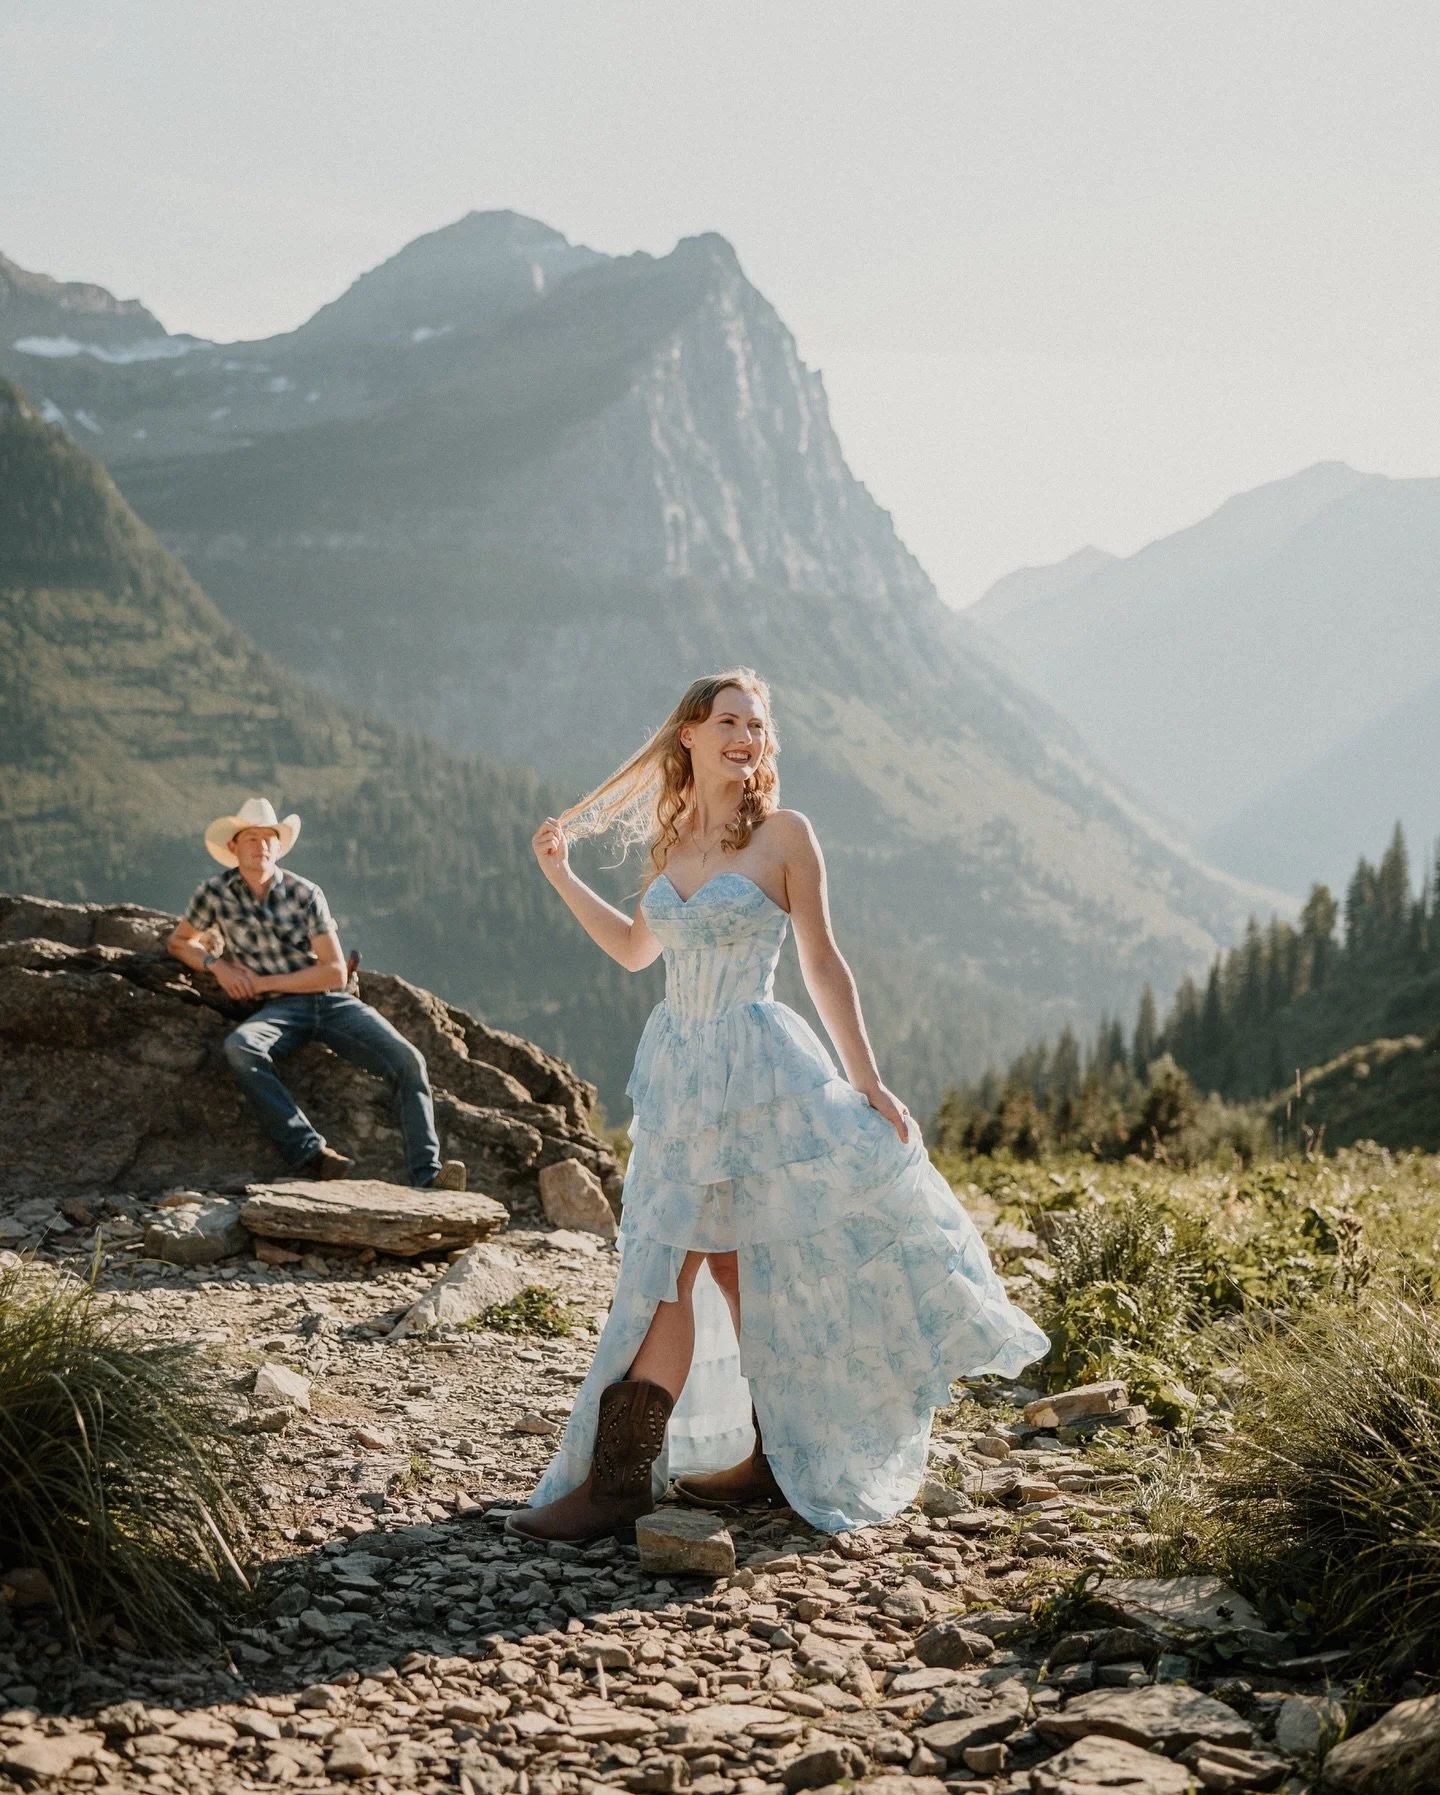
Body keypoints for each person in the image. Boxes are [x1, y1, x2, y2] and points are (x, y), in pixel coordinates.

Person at [508, 670, 1047, 1543]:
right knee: (682, 1266)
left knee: (728, 1268)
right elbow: (637, 950)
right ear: (689, 732)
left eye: (756, 724)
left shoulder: (786, 834)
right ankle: (625, 1480)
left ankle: (755, 1459)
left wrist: (865, 1077)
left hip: (758, 1069)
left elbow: (823, 962)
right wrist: (562, 876)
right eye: (728, 720)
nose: (745, 736)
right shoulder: (674, 832)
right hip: (682, 1075)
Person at [167, 797, 466, 1191]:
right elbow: (180, 941)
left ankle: (428, 1175)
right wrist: (217, 966)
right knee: (241, 1047)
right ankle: (310, 1153)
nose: (262, 846)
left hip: (332, 1001)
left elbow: (334, 971)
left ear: (279, 845)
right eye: (251, 838)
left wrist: (259, 983)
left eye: (269, 838)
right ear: (232, 847)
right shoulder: (214, 893)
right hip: (279, 1012)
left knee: (409, 1060)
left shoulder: (305, 892)